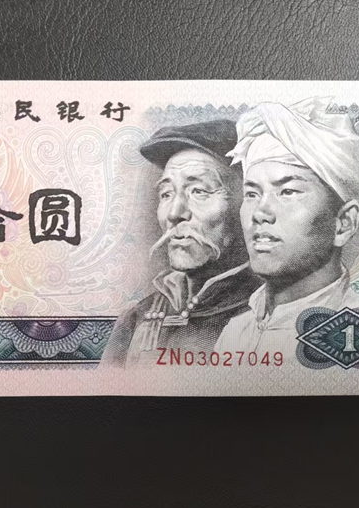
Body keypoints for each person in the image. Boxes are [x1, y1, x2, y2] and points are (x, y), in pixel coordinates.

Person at [215, 98, 359, 359]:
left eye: (287, 192)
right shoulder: (235, 332)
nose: (260, 213)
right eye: (252, 193)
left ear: (344, 222)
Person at [103, 120, 260, 366]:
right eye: (166, 194)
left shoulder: (271, 313)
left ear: (247, 203)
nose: (174, 213)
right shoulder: (136, 319)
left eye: (199, 191)